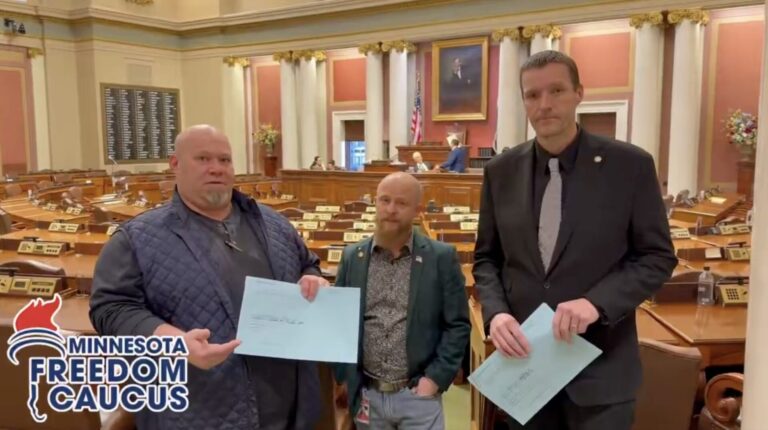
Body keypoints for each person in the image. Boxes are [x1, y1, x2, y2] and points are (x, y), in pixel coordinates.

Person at [473, 50, 677, 429]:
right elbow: (487, 259)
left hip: (601, 373)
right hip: (526, 369)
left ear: (579, 93)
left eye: (556, 91)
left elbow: (657, 256)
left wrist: (596, 303)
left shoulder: (629, 165)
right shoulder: (501, 171)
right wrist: (496, 313)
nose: (544, 104)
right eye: (532, 95)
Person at [89, 125, 328, 430]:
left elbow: (308, 265)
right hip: (196, 412)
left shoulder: (275, 224)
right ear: (175, 164)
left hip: (289, 409)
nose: (216, 168)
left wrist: (313, 279)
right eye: (203, 159)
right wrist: (174, 342)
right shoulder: (136, 238)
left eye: (224, 160)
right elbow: (110, 309)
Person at [334, 172, 470, 429]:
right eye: (384, 200)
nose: (391, 209)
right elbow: (339, 322)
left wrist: (434, 380)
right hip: (367, 395)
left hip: (418, 395)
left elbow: (458, 325)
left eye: (401, 203)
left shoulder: (440, 258)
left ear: (417, 210)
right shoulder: (353, 257)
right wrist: (345, 377)